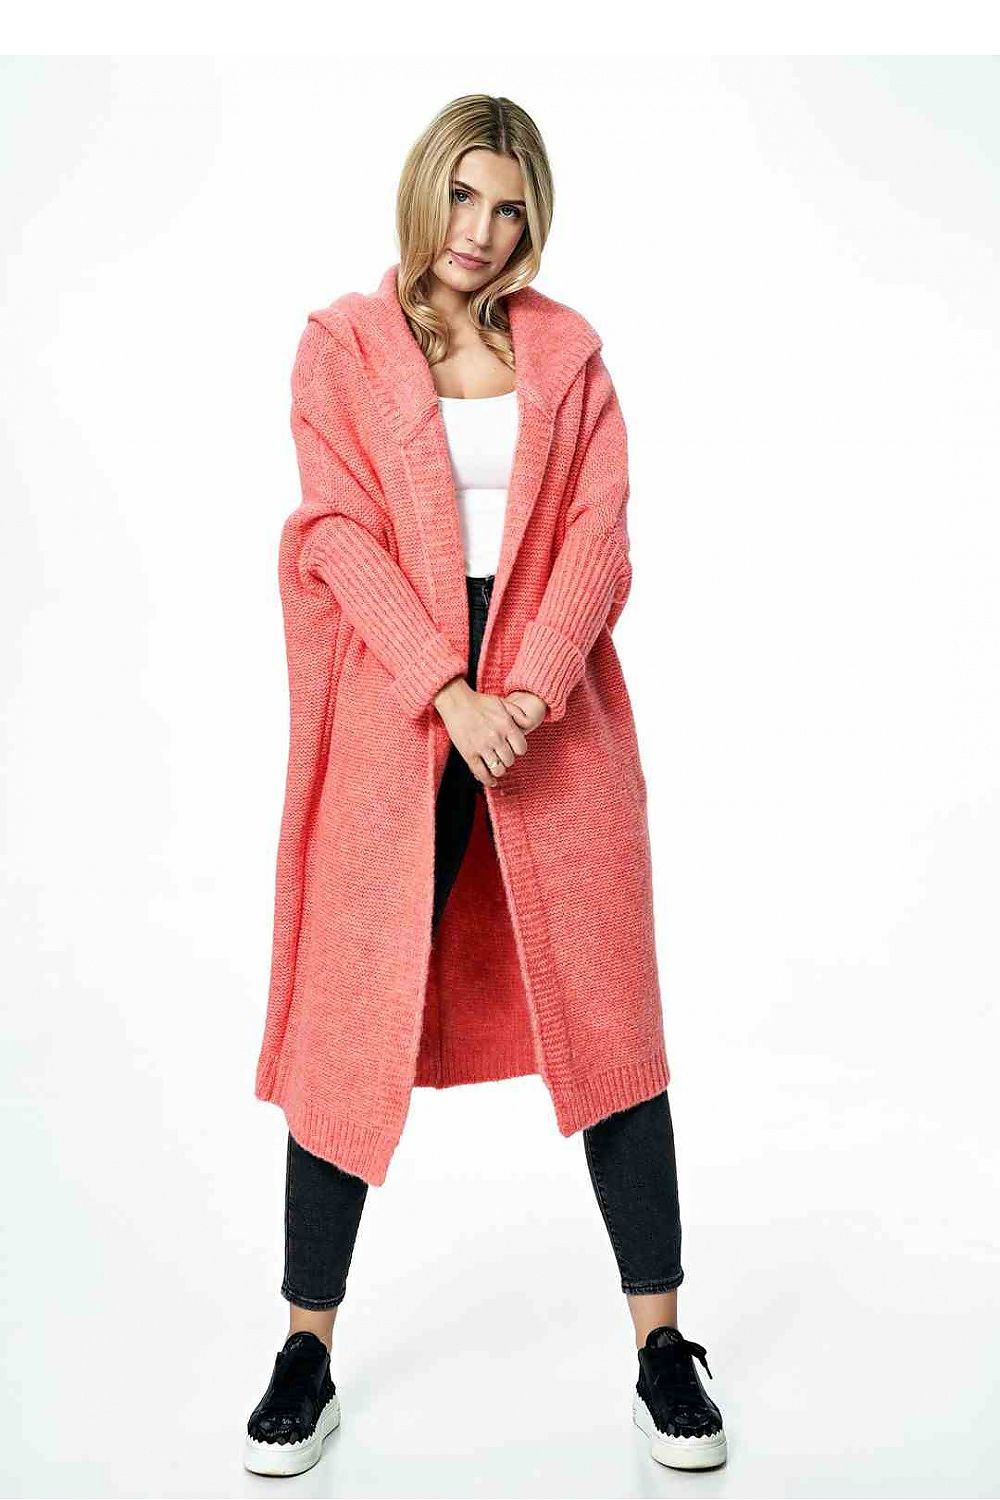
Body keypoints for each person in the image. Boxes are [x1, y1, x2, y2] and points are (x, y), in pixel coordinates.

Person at [244, 94, 727, 1478]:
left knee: (610, 1017)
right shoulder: (344, 344)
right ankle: (304, 1352)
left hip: (549, 709)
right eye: (463, 195)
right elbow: (335, 530)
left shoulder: (567, 356)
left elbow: (599, 536)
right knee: (348, 1024)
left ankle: (663, 1348)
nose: (481, 231)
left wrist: (526, 691)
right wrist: (443, 689)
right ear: (423, 191)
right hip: (398, 711)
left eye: (510, 208)